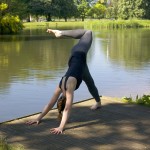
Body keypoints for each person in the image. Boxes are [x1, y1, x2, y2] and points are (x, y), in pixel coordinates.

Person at [26, 29, 101, 134]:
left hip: (79, 53)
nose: (61, 97)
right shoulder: (63, 86)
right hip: (76, 60)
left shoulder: (64, 87)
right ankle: (98, 102)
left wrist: (40, 119)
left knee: (88, 32)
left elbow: (57, 106)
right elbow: (60, 107)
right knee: (90, 83)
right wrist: (57, 126)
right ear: (62, 98)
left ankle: (61, 33)